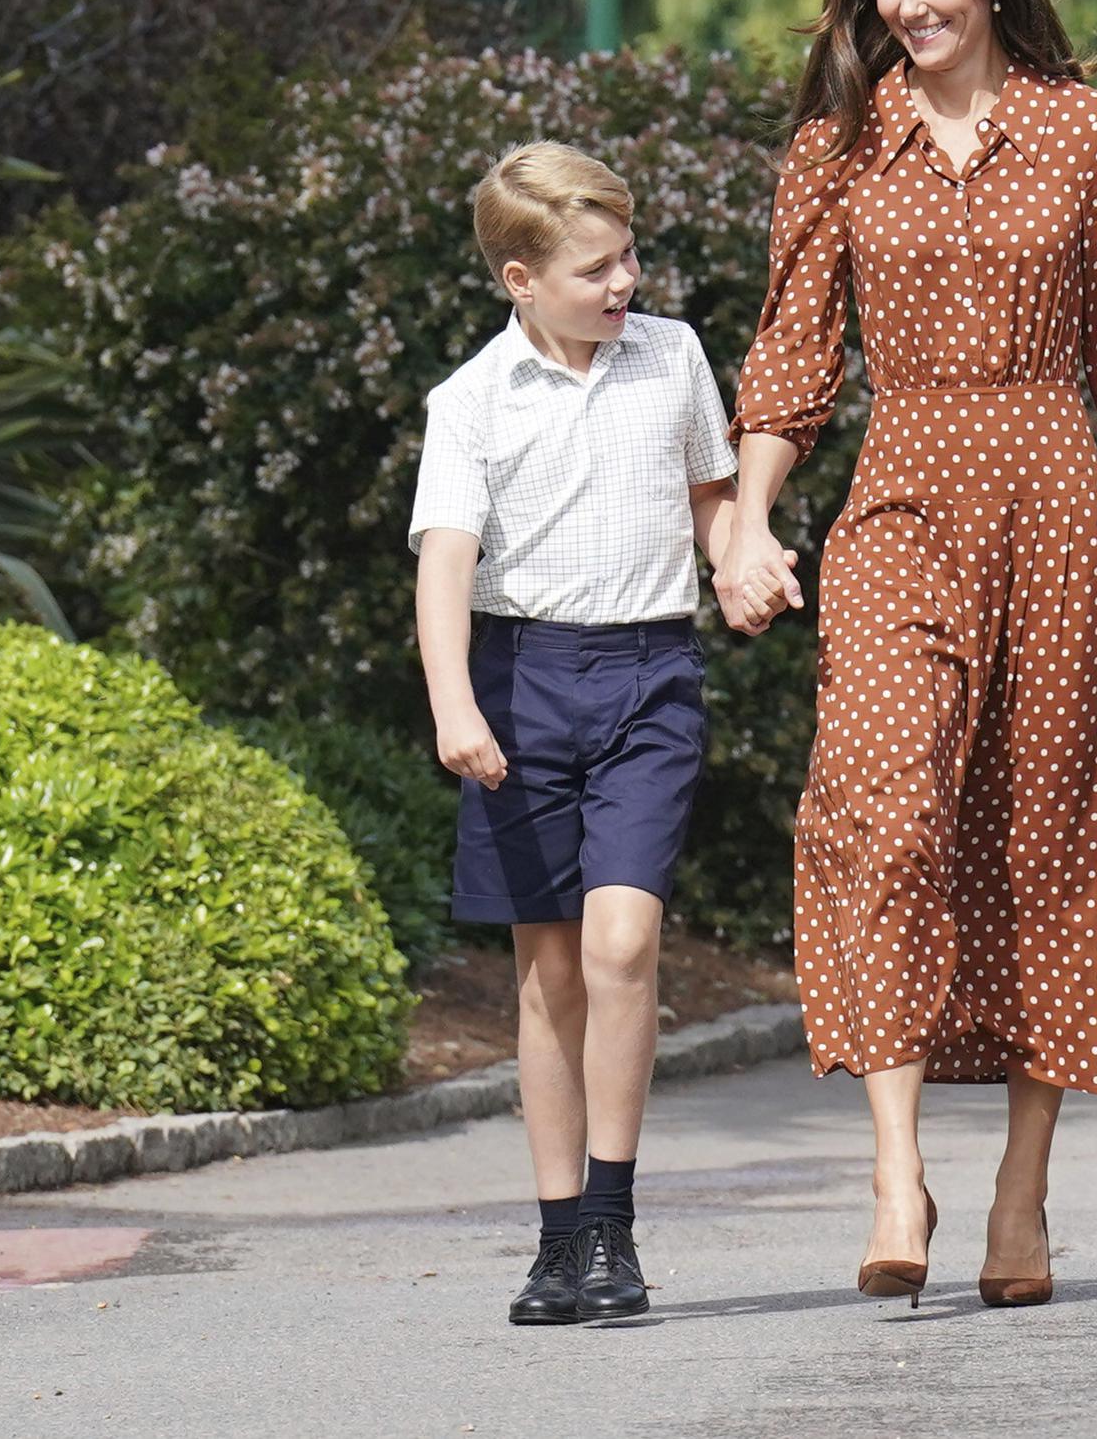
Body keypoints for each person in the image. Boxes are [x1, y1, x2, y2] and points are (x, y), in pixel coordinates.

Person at [715, 0, 1097, 1309]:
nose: (908, 5)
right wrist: (751, 522)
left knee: (1043, 832)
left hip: (1056, 502)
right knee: (878, 806)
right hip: (900, 500)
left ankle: (1022, 1194)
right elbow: (794, 354)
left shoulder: (1089, 133)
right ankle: (897, 1171)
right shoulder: (838, 149)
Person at [411, 142, 743, 1325]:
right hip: (520, 681)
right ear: (520, 277)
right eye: (598, 268)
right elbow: (446, 561)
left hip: (650, 672)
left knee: (619, 946)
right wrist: (456, 701)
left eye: (630, 257)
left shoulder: (674, 356)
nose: (624, 284)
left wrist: (738, 553)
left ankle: (613, 1217)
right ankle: (560, 1242)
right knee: (548, 971)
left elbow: (714, 493)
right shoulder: (471, 401)